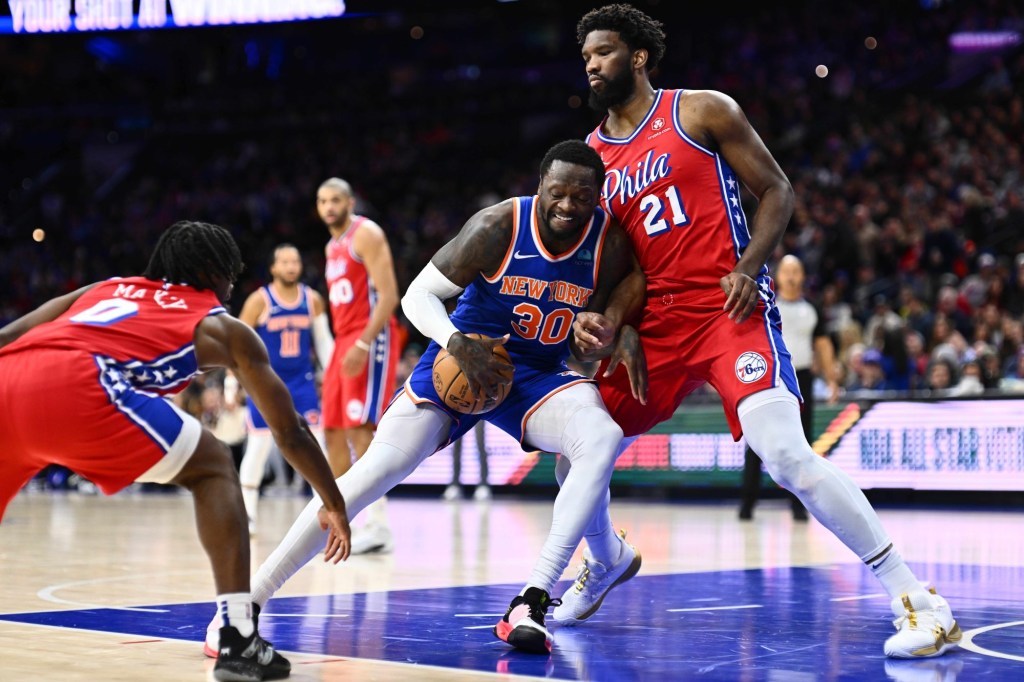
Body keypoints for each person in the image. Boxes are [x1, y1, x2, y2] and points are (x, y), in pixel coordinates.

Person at [560, 4, 960, 659]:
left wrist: (751, 267)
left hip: (728, 308)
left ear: (636, 56)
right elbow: (623, 260)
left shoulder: (701, 110)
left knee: (785, 455)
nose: (591, 65)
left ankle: (918, 599)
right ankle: (605, 559)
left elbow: (777, 189)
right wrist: (622, 324)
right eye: (585, 57)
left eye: (602, 52)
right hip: (659, 322)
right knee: (577, 435)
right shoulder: (595, 154)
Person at [204, 140, 643, 657]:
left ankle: (532, 599)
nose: (568, 205)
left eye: (582, 196)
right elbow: (416, 296)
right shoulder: (498, 226)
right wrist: (457, 344)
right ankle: (243, 606)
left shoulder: (608, 243)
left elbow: (629, 286)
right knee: (365, 478)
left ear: (599, 195)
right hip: (459, 362)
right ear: (540, 187)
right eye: (558, 192)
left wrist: (617, 324)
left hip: (533, 376)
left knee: (601, 434)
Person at [0, 221, 350, 682]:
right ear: (213, 271)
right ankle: (239, 638)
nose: (231, 285)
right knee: (214, 465)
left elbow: (11, 335)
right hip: (80, 381)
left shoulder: (104, 289)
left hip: (9, 380)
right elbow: (290, 432)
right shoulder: (221, 326)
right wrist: (333, 500)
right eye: (229, 273)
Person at [318, 178, 401, 554]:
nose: (329, 206)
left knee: (360, 428)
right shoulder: (330, 246)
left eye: (335, 200)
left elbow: (389, 295)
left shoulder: (365, 233)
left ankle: (380, 524)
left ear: (350, 202)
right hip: (342, 340)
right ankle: (344, 516)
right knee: (332, 430)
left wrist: (365, 342)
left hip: (370, 335)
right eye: (322, 201)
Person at [236, 244, 334, 535]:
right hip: (268, 384)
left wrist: (332, 376)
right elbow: (237, 342)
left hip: (302, 384)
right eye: (285, 261)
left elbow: (324, 342)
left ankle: (326, 508)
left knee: (319, 446)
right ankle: (247, 515)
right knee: (258, 448)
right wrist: (233, 383)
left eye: (295, 260)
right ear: (274, 268)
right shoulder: (259, 301)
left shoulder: (312, 299)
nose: (291, 266)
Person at [739, 255, 837, 521]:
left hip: (802, 379)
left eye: (796, 271)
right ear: (778, 276)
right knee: (756, 442)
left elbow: (824, 345)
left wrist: (831, 379)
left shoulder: (812, 308)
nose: (792, 276)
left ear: (803, 276)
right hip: (770, 378)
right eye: (787, 271)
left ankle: (798, 506)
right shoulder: (767, 303)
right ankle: (747, 504)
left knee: (801, 444)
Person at [442, 422, 492, 501]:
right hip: (460, 411)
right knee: (456, 443)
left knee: (480, 442)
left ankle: (484, 484)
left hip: (480, 411)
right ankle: (455, 484)